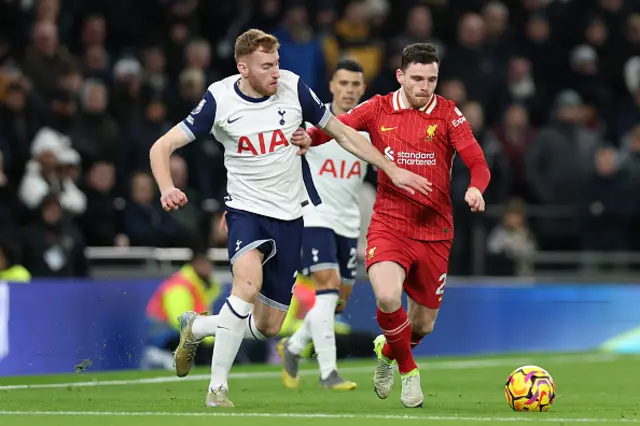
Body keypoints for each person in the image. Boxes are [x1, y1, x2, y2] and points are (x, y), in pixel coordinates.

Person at [148, 29, 431, 408]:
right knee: (245, 288)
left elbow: (343, 133)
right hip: (246, 212)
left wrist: (389, 168)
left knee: (268, 327)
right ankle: (217, 390)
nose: (275, 72)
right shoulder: (219, 98)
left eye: (277, 63)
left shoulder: (294, 89)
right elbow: (161, 146)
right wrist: (166, 187)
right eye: (266, 66)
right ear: (242, 67)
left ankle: (197, 326)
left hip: (290, 218)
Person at [298, 43, 491, 408]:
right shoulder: (378, 108)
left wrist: (476, 188)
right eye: (417, 78)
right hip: (390, 224)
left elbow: (477, 161)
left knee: (423, 325)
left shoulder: (449, 114)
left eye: (432, 79)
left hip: (435, 230)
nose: (425, 86)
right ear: (401, 76)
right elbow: (339, 128)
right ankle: (408, 373)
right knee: (387, 296)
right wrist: (311, 137)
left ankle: (387, 352)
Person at [277, 58, 369, 391]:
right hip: (314, 216)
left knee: (338, 299)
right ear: (331, 86)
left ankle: (295, 345)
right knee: (327, 287)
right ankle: (328, 372)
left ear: (363, 88)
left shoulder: (369, 129)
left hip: (348, 221)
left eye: (355, 85)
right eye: (343, 83)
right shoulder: (312, 121)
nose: (349, 90)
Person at [143, 249, 221, 370]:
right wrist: (210, 336)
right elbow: (179, 321)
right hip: (165, 339)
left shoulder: (202, 286)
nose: (209, 267)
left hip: (185, 336)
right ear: (195, 264)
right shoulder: (179, 286)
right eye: (205, 263)